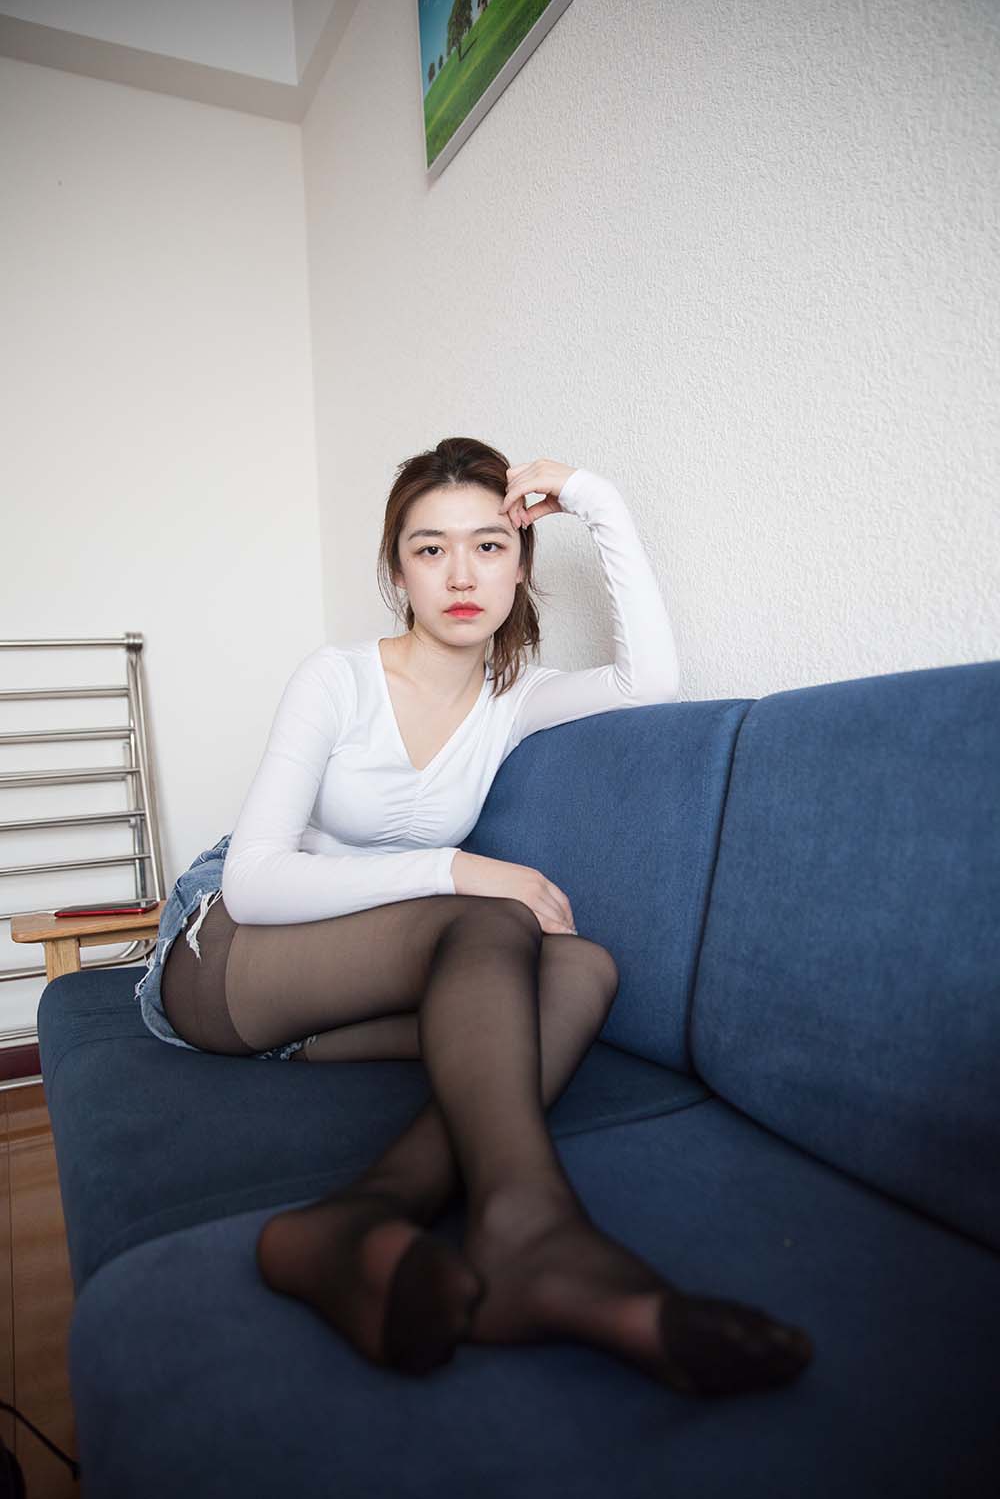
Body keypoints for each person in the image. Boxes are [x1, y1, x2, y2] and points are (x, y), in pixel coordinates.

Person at [148, 437, 813, 1396]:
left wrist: (595, 498)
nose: (462, 575)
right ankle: (531, 1231)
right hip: (227, 957)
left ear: (520, 564)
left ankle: (357, 1218)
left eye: (489, 546)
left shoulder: (514, 696)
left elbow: (649, 681)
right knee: (492, 917)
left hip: (336, 998)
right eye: (431, 549)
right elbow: (254, 883)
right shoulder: (337, 679)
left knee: (582, 967)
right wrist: (456, 868)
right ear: (397, 572)